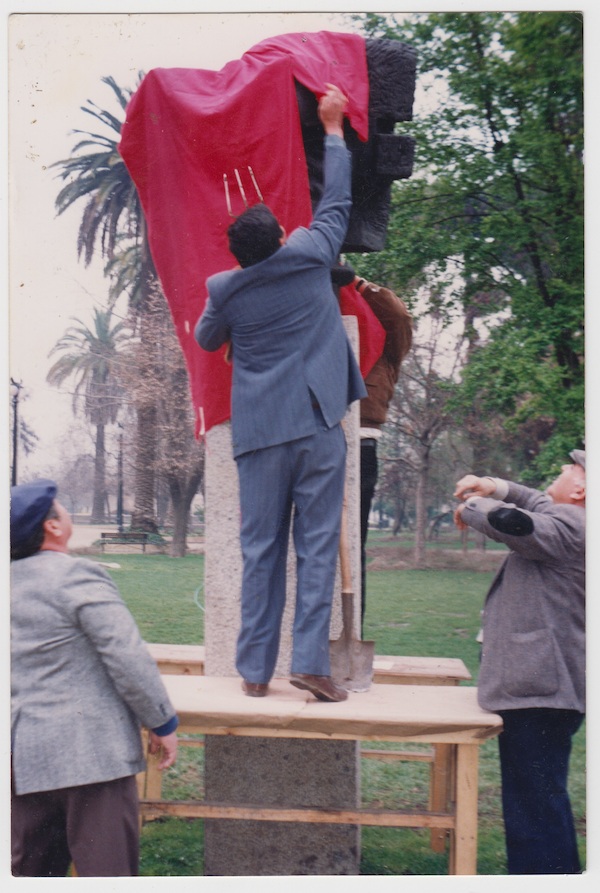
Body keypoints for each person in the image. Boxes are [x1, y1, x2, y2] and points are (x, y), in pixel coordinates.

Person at [195, 84, 366, 702]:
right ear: (282, 237)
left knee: (260, 552)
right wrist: (332, 128)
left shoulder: (226, 290)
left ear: (239, 255)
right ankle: (313, 665)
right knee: (316, 547)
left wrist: (239, 295)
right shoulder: (313, 252)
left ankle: (254, 672)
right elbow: (337, 199)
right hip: (320, 425)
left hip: (261, 434)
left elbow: (208, 337)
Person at [10, 479, 179, 877]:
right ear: (52, 526)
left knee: (31, 872)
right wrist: (161, 721)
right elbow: (126, 655)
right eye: (62, 508)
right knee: (108, 873)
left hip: (23, 756)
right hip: (91, 758)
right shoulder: (75, 576)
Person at [453, 451, 585, 874]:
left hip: (541, 690)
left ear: (580, 490)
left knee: (535, 809)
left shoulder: (574, 526)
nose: (563, 467)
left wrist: (472, 504)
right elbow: (535, 502)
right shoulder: (570, 517)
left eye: (573, 467)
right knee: (538, 798)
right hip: (546, 688)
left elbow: (513, 522)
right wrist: (495, 485)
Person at [354, 275, 412, 631]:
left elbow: (399, 317)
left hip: (360, 443)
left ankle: (351, 631)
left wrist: (361, 287)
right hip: (314, 441)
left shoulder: (388, 348)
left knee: (353, 544)